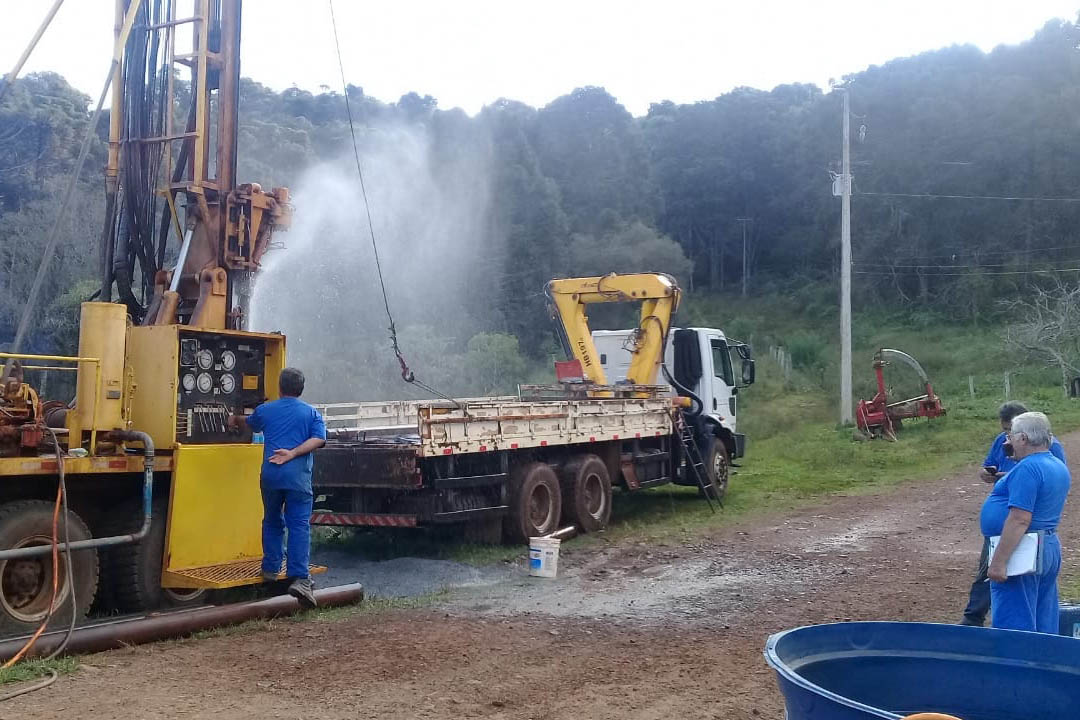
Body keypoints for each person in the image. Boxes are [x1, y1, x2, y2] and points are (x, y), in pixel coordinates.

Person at [960, 402, 1065, 626]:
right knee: (1043, 619)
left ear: (1023, 438)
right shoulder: (1057, 465)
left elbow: (1019, 519)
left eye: (1011, 436)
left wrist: (998, 562)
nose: (1007, 442)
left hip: (1023, 549)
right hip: (1046, 545)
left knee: (1015, 624)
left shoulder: (1027, 469)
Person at [232, 367, 326, 608]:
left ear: (279, 387)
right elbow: (319, 439)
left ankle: (270, 569)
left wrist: (233, 418)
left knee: (272, 521)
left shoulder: (266, 410)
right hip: (298, 480)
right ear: (301, 389)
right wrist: (293, 453)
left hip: (271, 476)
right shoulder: (311, 413)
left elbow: (250, 423)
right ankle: (300, 579)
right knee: (298, 525)